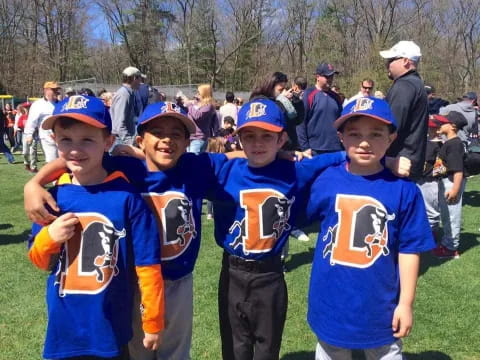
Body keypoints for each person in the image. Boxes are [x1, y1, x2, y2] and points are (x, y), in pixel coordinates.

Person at [26, 95, 164, 359]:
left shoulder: (127, 198)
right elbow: (39, 260)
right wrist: (48, 238)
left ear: (108, 142)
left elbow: (148, 266)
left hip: (109, 326)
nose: (75, 149)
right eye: (66, 140)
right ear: (55, 141)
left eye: (87, 140)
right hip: (64, 328)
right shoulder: (53, 198)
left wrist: (153, 321)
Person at [213, 98, 346, 360]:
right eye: (249, 136)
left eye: (267, 136)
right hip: (232, 272)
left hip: (270, 274)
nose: (258, 143)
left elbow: (338, 157)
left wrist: (388, 162)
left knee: (267, 349)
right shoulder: (225, 171)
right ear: (238, 138)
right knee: (234, 348)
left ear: (282, 138)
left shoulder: (295, 171)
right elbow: (185, 162)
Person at [305, 97, 435, 359]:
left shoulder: (403, 190)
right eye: (354, 134)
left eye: (376, 134)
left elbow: (410, 250)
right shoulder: (326, 180)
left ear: (391, 138)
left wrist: (406, 304)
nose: (364, 142)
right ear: (341, 137)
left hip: (380, 307)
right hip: (331, 303)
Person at [380, 40, 428, 181]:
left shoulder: (404, 86)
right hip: (408, 162)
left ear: (406, 61)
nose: (387, 64)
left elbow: (391, 126)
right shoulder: (416, 84)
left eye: (391, 60)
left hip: (398, 165)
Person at [430, 111, 468, 259]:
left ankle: (451, 248)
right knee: (446, 215)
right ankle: (447, 242)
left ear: (452, 126)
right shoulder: (449, 142)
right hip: (446, 181)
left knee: (452, 215)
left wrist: (455, 189)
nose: (439, 124)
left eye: (442, 122)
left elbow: (458, 169)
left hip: (452, 182)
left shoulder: (455, 144)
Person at [297, 63, 343, 156]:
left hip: (335, 148)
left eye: (332, 76)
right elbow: (300, 123)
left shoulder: (336, 97)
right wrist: (305, 147)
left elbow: (341, 121)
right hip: (315, 149)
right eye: (327, 76)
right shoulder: (308, 95)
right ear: (318, 77)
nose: (330, 79)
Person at [250, 71, 305, 151]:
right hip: (272, 149)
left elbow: (297, 120)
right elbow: (274, 115)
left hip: (288, 147)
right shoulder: (260, 100)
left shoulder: (282, 101)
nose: (283, 92)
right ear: (270, 87)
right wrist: (282, 100)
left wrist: (296, 101)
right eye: (280, 90)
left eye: (284, 89)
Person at [417, 115, 444, 241]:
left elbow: (440, 166)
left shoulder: (440, 144)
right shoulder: (424, 142)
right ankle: (427, 230)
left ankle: (433, 232)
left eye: (432, 128)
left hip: (431, 180)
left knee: (431, 209)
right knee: (421, 206)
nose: (428, 130)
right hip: (420, 179)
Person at [24, 81, 61, 163]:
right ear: (46, 90)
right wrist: (29, 134)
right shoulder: (38, 105)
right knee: (52, 161)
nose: (56, 92)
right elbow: (31, 121)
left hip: (61, 137)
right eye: (54, 90)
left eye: (57, 90)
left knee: (64, 162)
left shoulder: (61, 104)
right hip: (47, 137)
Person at [110, 66, 143, 146]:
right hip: (121, 142)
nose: (141, 82)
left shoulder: (128, 93)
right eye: (140, 79)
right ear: (135, 78)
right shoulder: (124, 95)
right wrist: (129, 143)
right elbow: (119, 124)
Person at [185, 83, 218, 154]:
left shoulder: (208, 106)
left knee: (194, 161)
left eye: (199, 92)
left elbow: (197, 115)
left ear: (204, 93)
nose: (197, 94)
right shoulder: (197, 103)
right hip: (190, 136)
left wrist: (189, 104)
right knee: (188, 158)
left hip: (199, 138)